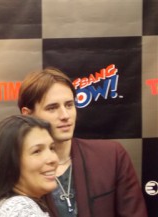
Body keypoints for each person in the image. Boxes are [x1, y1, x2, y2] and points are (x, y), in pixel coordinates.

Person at [17, 67, 148, 217]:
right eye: (52, 108)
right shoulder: (15, 169)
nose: (65, 115)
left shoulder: (111, 156)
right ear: (28, 114)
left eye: (69, 105)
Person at [0, 115, 59, 217]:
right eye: (37, 151)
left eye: (52, 148)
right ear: (7, 163)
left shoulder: (4, 206)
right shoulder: (21, 209)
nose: (53, 159)